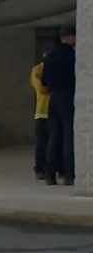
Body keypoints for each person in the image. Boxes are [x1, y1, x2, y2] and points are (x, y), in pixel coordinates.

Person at [41, 24, 76, 186]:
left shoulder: (50, 55)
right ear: (70, 37)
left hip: (53, 98)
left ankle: (50, 175)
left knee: (53, 137)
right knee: (68, 136)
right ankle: (69, 174)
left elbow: (44, 81)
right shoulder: (72, 55)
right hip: (67, 97)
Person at [30, 52, 51, 181]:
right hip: (42, 111)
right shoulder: (38, 70)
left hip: (54, 110)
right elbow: (40, 88)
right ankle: (40, 168)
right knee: (42, 142)